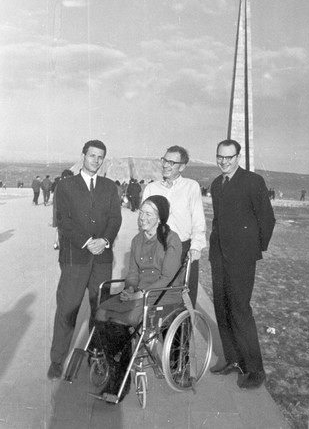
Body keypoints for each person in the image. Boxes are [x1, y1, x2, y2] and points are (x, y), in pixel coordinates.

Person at [94, 195, 182, 400]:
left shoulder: (172, 239)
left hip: (163, 295)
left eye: (148, 214)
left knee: (121, 320)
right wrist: (130, 288)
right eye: (141, 212)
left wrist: (140, 293)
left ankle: (118, 382)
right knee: (101, 312)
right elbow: (133, 273)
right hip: (139, 292)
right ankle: (117, 368)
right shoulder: (137, 240)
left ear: (160, 218)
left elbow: (168, 278)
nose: (142, 217)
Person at [47, 140, 122, 380]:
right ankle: (57, 360)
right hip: (75, 259)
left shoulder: (110, 187)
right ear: (83, 156)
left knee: (101, 310)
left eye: (100, 157)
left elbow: (115, 218)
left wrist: (105, 241)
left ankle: (96, 355)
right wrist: (88, 240)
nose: (96, 161)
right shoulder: (65, 185)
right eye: (92, 156)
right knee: (67, 308)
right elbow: (63, 219)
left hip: (102, 259)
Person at [209, 139, 275, 389]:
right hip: (219, 257)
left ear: (238, 157)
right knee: (222, 309)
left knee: (240, 310)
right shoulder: (216, 184)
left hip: (242, 259)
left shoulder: (252, 181)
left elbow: (267, 219)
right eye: (220, 157)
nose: (224, 162)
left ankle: (255, 369)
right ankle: (233, 360)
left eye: (229, 157)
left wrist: (253, 249)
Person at [142, 145, 206, 307]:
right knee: (155, 299)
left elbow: (198, 220)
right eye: (164, 160)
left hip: (183, 251)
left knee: (183, 300)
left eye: (171, 162)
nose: (165, 165)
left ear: (182, 166)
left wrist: (196, 246)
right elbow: (143, 222)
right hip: (157, 250)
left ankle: (183, 332)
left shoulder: (191, 187)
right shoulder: (151, 188)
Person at [52, 169, 74, 250]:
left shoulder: (59, 185)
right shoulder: (67, 185)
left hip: (58, 211)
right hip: (65, 211)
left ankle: (56, 243)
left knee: (59, 228)